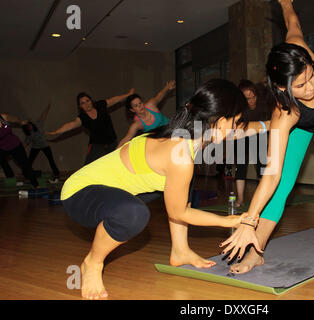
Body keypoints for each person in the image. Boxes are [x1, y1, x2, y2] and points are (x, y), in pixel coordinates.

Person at [60, 79, 269, 299]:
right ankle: (92, 263)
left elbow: (240, 131)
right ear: (221, 121)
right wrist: (230, 221)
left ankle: (180, 251)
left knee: (182, 186)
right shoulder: (179, 153)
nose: (237, 126)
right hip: (80, 193)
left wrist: (272, 125)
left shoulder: (189, 132)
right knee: (134, 214)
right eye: (235, 121)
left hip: (116, 189)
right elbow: (178, 213)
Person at [221, 0, 314, 274]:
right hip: (302, 126)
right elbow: (271, 175)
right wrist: (248, 220)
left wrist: (285, 2)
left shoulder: (298, 51)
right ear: (281, 88)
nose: (311, 87)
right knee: (283, 184)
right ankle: (256, 252)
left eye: (311, 76)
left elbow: (292, 22)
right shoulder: (284, 113)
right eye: (300, 85)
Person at [47, 89, 134, 165]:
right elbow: (71, 125)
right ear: (80, 106)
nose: (86, 104)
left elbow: (114, 100)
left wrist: (128, 95)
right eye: (83, 103)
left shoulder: (100, 105)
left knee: (118, 163)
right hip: (96, 144)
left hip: (112, 141)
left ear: (91, 101)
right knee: (88, 165)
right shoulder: (82, 118)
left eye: (87, 101)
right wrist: (57, 131)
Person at [234, 79, 274, 207]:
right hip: (243, 134)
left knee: (262, 166)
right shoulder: (239, 109)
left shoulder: (263, 101)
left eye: (253, 97)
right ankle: (240, 199)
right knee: (241, 166)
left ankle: (264, 198)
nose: (251, 101)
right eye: (247, 99)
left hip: (260, 134)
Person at [116, 80, 175, 149]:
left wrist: (167, 87)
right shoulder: (137, 124)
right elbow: (126, 138)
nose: (140, 106)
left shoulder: (151, 105)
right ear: (132, 110)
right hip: (159, 142)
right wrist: (113, 154)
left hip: (171, 130)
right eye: (136, 106)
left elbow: (160, 95)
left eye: (140, 103)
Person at [22, 103, 60, 183]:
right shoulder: (28, 135)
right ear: (26, 128)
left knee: (51, 160)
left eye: (30, 125)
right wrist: (19, 151)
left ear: (32, 124)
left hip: (45, 146)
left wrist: (48, 107)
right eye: (28, 126)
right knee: (29, 161)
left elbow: (43, 116)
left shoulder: (38, 125)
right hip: (35, 147)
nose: (30, 127)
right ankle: (26, 174)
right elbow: (25, 144)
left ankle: (56, 173)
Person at [0, 113, 39, 188]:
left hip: (15, 145)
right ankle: (10, 175)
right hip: (2, 148)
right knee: (1, 160)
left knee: (26, 165)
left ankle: (36, 185)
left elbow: (15, 119)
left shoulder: (3, 117)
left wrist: (21, 122)